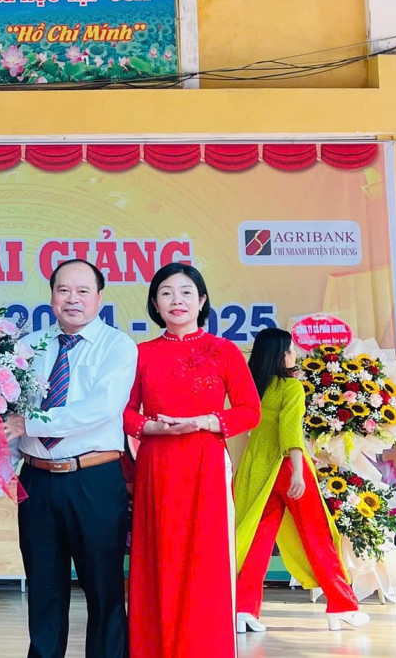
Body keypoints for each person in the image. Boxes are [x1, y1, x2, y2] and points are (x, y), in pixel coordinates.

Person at [124, 262, 260, 658]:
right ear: (155, 304)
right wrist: (153, 428)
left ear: (201, 301)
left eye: (186, 292)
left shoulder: (224, 350)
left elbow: (250, 411)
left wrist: (204, 421)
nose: (176, 300)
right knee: (159, 557)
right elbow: (124, 413)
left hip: (205, 463)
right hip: (156, 464)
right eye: (166, 293)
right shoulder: (141, 354)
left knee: (206, 558)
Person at [5, 259, 135, 658]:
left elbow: (100, 409)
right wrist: (3, 469)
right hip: (37, 481)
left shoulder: (118, 346)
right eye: (63, 290)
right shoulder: (28, 347)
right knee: (44, 590)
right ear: (51, 297)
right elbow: (10, 415)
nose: (72, 299)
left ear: (99, 297)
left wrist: (30, 423)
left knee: (104, 590)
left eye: (82, 291)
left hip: (94, 480)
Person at [234, 328, 369, 633]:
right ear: (281, 355)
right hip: (287, 467)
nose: (294, 354)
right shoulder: (291, 386)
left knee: (257, 540)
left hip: (257, 468)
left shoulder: (252, 387)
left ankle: (243, 610)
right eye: (291, 349)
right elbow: (290, 431)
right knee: (317, 535)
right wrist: (298, 468)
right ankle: (342, 605)